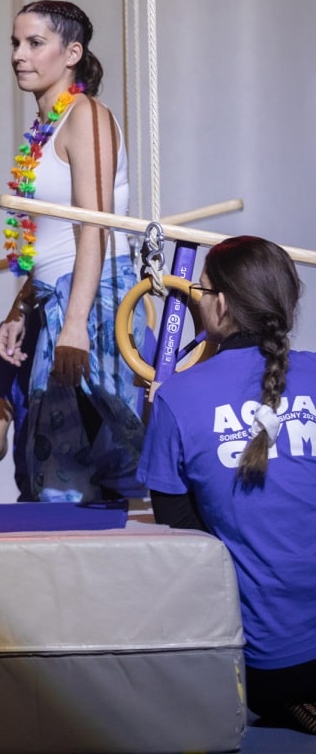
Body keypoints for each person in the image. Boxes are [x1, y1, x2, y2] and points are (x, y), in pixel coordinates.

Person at [137, 235, 316, 735]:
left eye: (201, 290)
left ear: (220, 303)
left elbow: (185, 539)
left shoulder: (177, 397)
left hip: (269, 667)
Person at [0, 0, 145, 502]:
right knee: (57, 467)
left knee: (111, 455)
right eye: (15, 43)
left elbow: (95, 224)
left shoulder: (86, 114)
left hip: (93, 302)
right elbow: (50, 242)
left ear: (72, 53)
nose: (19, 55)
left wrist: (75, 323)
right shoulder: (45, 129)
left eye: (34, 43)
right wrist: (19, 311)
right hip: (53, 301)